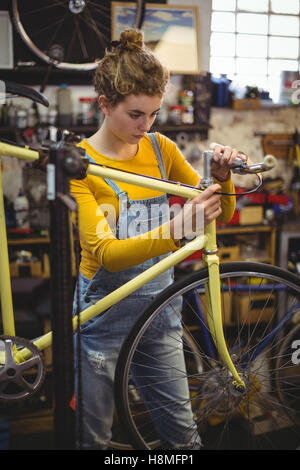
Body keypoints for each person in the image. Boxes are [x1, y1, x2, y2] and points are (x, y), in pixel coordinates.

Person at [70, 29, 242, 450]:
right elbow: (108, 256)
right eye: (135, 114)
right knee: (92, 441)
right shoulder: (79, 164)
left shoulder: (160, 149)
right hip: (102, 315)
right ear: (105, 105)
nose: (145, 126)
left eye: (153, 114)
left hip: (159, 313)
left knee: (182, 439)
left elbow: (225, 215)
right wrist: (181, 226)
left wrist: (222, 178)